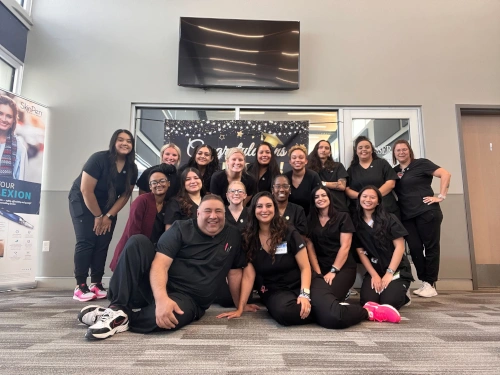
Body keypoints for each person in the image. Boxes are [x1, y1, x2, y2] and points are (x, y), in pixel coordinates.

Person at [79, 195, 256, 340]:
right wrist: (162, 298)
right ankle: (117, 307)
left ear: (224, 214)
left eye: (219, 211)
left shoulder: (232, 235)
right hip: (159, 285)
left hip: (191, 299)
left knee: (172, 318)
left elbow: (234, 272)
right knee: (137, 242)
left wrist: (240, 305)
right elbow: (160, 264)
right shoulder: (181, 228)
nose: (213, 216)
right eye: (208, 211)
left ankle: (119, 318)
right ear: (198, 213)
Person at [217, 192, 402, 328]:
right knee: (283, 315)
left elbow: (305, 267)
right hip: (276, 290)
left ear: (275, 208)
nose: (264, 210)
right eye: (259, 206)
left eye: (268, 206)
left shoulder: (289, 232)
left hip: (305, 282)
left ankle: (369, 311)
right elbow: (249, 274)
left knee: (334, 320)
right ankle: (328, 308)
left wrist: (304, 294)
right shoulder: (248, 237)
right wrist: (240, 307)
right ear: (253, 210)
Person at [69, 129, 138, 301]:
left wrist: (108, 216)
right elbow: (86, 190)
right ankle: (80, 286)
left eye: (129, 141)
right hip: (83, 202)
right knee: (87, 240)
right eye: (120, 140)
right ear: (114, 142)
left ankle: (96, 283)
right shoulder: (98, 159)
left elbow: (125, 195)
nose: (125, 143)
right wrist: (98, 216)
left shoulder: (132, 167)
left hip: (107, 207)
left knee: (103, 241)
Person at [393, 140, 451, 298]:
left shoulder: (421, 164)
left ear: (409, 151)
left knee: (430, 247)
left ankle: (430, 283)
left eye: (404, 149)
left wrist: (441, 196)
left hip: (427, 212)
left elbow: (445, 174)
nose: (401, 152)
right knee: (415, 248)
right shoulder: (395, 171)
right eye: (398, 150)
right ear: (394, 153)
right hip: (407, 216)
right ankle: (424, 280)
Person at [353, 186, 413, 309]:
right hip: (375, 269)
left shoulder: (389, 218)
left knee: (389, 302)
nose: (368, 199)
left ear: (378, 201)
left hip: (395, 269)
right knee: (368, 303)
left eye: (372, 197)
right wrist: (374, 275)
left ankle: (404, 294)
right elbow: (361, 252)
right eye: (364, 196)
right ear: (359, 199)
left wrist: (389, 273)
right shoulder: (356, 222)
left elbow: (400, 247)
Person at [109, 164, 176, 271]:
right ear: (150, 186)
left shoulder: (168, 206)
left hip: (151, 257)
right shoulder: (142, 201)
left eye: (162, 181)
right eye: (154, 182)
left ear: (168, 184)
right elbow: (133, 233)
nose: (158, 184)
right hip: (132, 254)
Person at [306, 186, 357, 301]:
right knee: (314, 296)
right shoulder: (310, 220)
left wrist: (333, 271)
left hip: (342, 267)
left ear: (329, 198)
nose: (320, 199)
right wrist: (318, 274)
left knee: (328, 297)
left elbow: (345, 246)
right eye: (316, 197)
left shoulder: (343, 217)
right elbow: (310, 248)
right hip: (320, 267)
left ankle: (344, 292)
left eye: (324, 195)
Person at [345, 136, 399, 218]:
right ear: (356, 151)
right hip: (361, 214)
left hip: (386, 209)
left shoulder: (382, 163)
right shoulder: (352, 169)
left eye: (367, 147)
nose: (364, 149)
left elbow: (391, 183)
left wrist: (374, 196)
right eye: (360, 148)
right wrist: (364, 198)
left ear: (372, 150)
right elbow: (347, 190)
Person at [308, 140, 349, 212]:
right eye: (320, 147)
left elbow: (342, 186)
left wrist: (321, 183)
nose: (323, 150)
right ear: (316, 150)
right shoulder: (309, 169)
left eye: (326, 148)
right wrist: (334, 184)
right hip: (317, 209)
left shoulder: (338, 166)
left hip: (338, 208)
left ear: (330, 152)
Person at [284, 145, 321, 216]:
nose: (297, 160)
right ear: (290, 161)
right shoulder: (285, 177)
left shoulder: (313, 176)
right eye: (294, 158)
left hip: (310, 217)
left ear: (306, 161)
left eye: (301, 157)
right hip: (289, 218)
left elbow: (319, 198)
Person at [0, 95, 27, 180]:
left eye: (9, 116)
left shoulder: (20, 149)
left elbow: (20, 183)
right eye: (0, 114)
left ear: (14, 120)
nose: (4, 119)